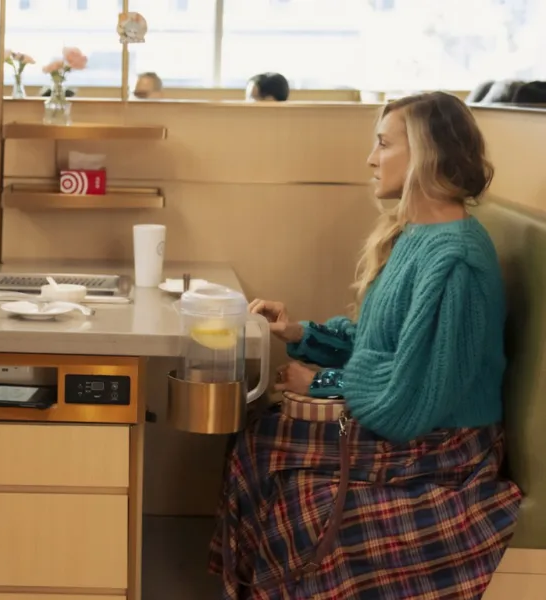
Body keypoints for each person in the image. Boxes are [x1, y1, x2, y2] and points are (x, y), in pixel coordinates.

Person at [208, 91, 522, 599]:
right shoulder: (416, 235)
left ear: (427, 155)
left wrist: (323, 381)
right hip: (418, 425)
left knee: (299, 493)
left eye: (384, 144)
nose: (371, 159)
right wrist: (301, 334)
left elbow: (408, 402)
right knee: (257, 437)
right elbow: (381, 346)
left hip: (446, 448)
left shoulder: (455, 262)